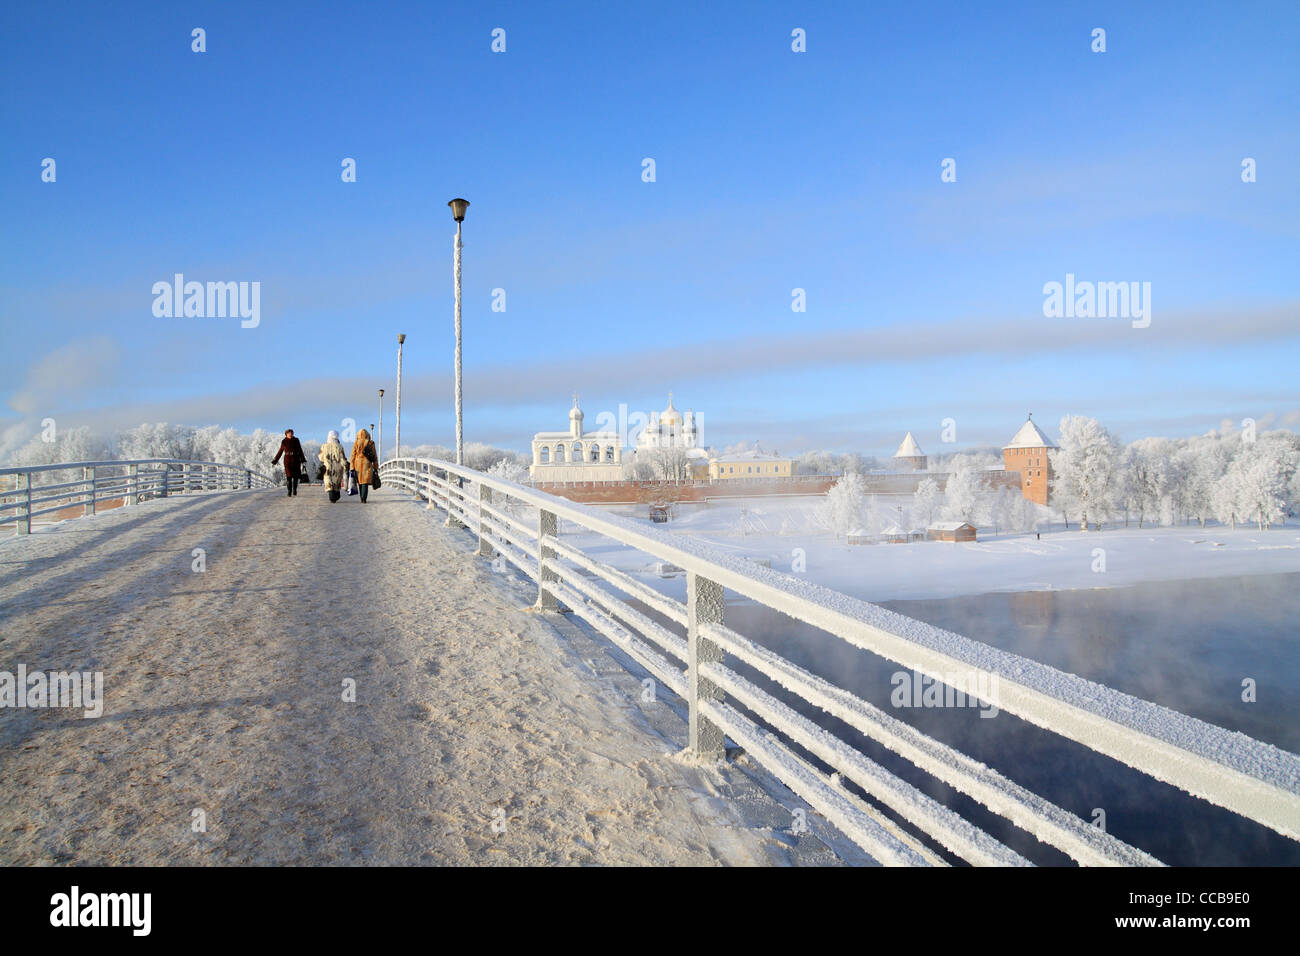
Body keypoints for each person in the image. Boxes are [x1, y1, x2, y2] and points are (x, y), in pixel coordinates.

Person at [271, 428, 307, 497]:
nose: (290, 434)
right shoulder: (284, 441)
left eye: (291, 433)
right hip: (287, 461)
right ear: (286, 434)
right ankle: (289, 491)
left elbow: (300, 450)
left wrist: (303, 460)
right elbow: (280, 451)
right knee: (289, 476)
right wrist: (275, 460)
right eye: (289, 433)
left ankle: (294, 490)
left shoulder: (296, 440)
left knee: (296, 477)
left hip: (296, 460)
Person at [318, 430, 348, 503]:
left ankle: (332, 496)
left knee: (329, 481)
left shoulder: (324, 446)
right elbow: (342, 458)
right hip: (337, 468)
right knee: (336, 482)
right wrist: (345, 466)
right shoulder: (340, 447)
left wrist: (325, 459)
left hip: (327, 467)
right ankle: (335, 495)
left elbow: (321, 458)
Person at [350, 428, 378, 503]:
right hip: (367, 464)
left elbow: (353, 455)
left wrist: (352, 467)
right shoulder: (370, 443)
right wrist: (375, 467)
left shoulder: (356, 443)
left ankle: (361, 497)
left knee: (360, 481)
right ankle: (364, 498)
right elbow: (374, 456)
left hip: (357, 464)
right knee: (365, 481)